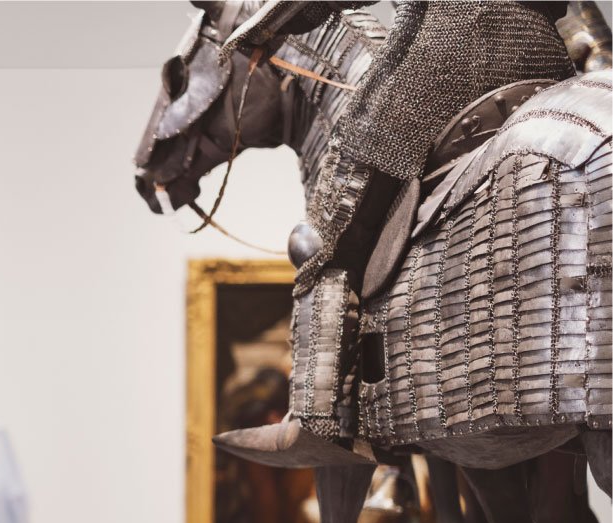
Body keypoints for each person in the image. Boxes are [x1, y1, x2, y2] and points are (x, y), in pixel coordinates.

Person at [221, 0, 575, 460]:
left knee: (321, 236)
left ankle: (316, 419)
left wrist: (263, 26)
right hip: (547, 58)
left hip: (448, 55)